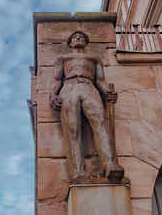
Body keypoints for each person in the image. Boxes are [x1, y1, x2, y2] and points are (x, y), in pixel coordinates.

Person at [50, 31, 124, 181]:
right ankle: (78, 171)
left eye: (81, 37)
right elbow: (57, 79)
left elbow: (101, 80)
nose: (78, 38)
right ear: (70, 43)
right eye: (75, 37)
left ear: (86, 42)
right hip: (69, 87)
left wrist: (107, 91)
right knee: (72, 129)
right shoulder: (63, 58)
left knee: (101, 123)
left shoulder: (94, 59)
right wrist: (53, 95)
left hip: (89, 86)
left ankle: (110, 164)